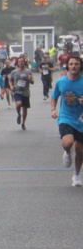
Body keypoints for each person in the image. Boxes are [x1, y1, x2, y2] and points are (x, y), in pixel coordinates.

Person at [50, 53, 83, 186]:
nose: (73, 66)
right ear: (67, 66)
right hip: (66, 117)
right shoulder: (61, 82)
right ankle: (67, 151)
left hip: (81, 119)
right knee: (68, 142)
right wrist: (53, 109)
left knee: (80, 150)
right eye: (71, 64)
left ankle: (76, 175)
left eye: (76, 64)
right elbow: (54, 96)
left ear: (80, 66)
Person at [9, 55, 34, 130]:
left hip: (25, 92)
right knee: (19, 103)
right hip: (17, 91)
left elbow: (32, 82)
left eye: (22, 61)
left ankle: (23, 123)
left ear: (24, 62)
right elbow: (10, 80)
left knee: (25, 109)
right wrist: (11, 86)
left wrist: (30, 79)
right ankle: (19, 114)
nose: (21, 63)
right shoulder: (14, 72)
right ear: (17, 63)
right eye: (19, 61)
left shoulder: (28, 71)